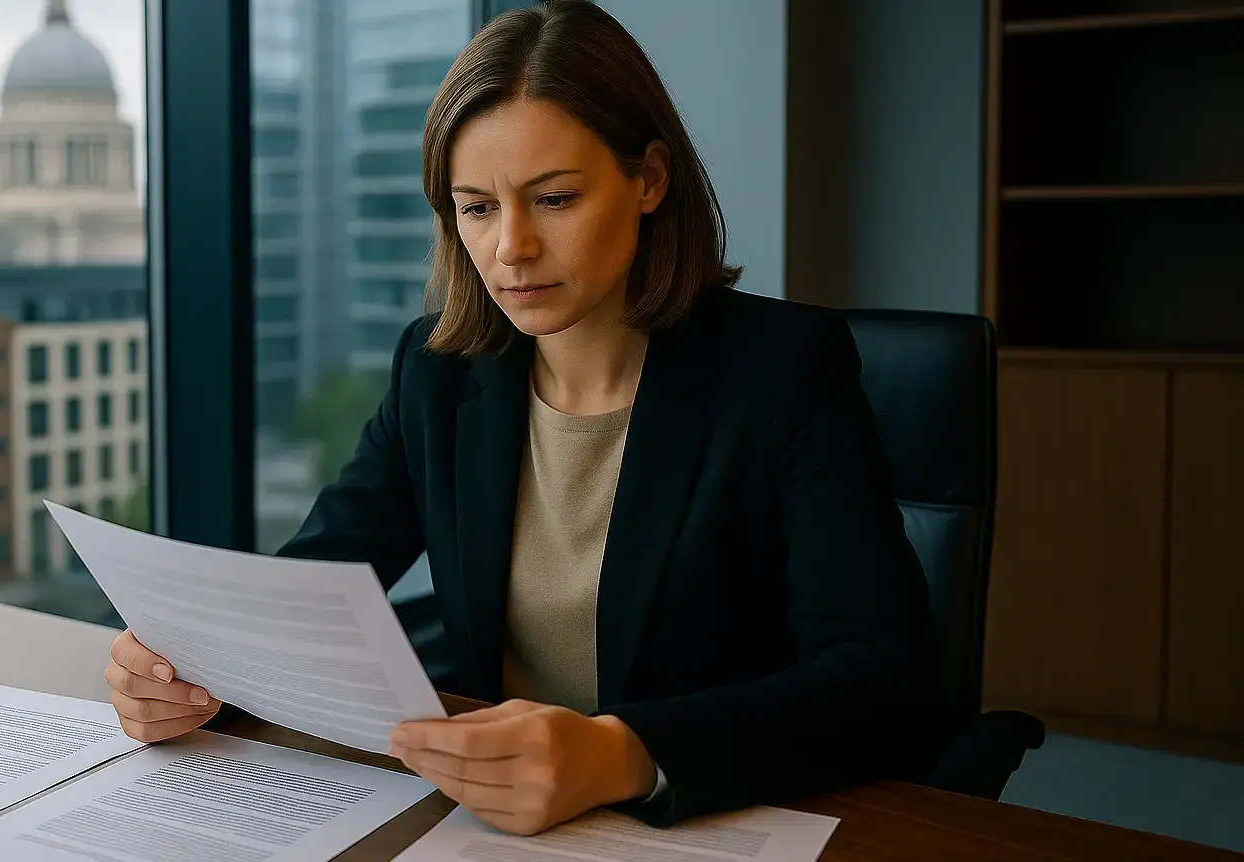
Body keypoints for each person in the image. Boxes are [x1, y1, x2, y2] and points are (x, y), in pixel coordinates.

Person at [103, 0, 945, 837]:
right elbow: (311, 589)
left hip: (703, 823)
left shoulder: (783, 369)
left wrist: (623, 753)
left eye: (554, 199)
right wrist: (188, 665)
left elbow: (883, 679)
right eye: (476, 207)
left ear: (648, 179)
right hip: (493, 828)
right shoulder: (438, 373)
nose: (511, 248)